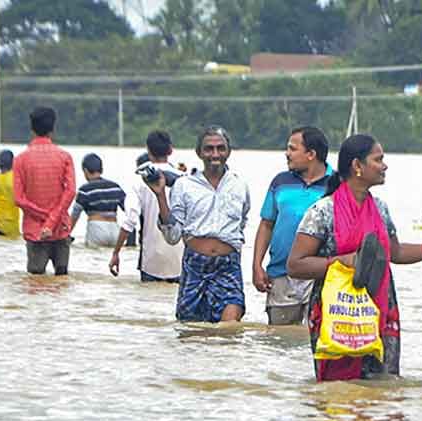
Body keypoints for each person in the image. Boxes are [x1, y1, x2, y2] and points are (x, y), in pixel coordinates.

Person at [288, 134, 422, 381]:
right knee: (336, 392)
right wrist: (341, 262)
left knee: (383, 387)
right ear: (357, 166)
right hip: (336, 309)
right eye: (378, 159)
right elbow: (295, 265)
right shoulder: (322, 211)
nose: (384, 166)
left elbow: (395, 253)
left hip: (380, 306)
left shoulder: (380, 208)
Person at [167, 126, 251, 323]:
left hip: (228, 265)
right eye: (209, 149)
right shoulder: (184, 185)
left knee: (229, 328)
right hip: (195, 264)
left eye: (221, 148)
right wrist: (160, 194)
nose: (215, 154)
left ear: (228, 152)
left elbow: (242, 221)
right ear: (199, 153)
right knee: (191, 329)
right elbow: (172, 235)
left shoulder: (239, 185)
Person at [252, 126, 333, 325]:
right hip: (280, 275)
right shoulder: (280, 182)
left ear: (311, 154)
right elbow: (266, 224)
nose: (287, 154)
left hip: (322, 275)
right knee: (279, 342)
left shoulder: (336, 184)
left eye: (292, 148)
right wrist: (257, 265)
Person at [109, 132, 183, 281]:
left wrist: (116, 253)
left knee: (148, 301)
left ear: (148, 151)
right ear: (170, 150)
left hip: (151, 261)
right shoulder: (184, 179)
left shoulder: (138, 180)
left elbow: (130, 221)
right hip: (180, 261)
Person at [12, 106, 75, 275]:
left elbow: (18, 198)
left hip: (35, 232)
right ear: (53, 129)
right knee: (61, 283)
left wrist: (44, 216)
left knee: (35, 284)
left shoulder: (20, 160)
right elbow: (70, 192)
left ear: (32, 129)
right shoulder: (65, 157)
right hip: (60, 228)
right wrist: (52, 219)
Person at [70, 153, 125, 248]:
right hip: (115, 230)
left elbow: (75, 215)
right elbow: (129, 210)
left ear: (85, 170)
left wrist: (66, 234)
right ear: (101, 169)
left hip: (96, 229)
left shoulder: (84, 190)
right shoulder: (115, 187)